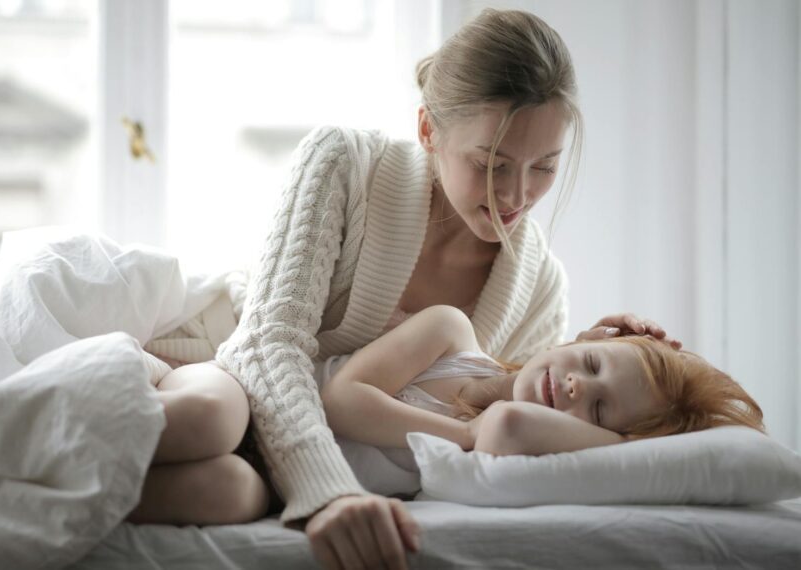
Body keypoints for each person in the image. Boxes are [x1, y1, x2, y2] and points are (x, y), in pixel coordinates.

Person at [133, 8, 685, 570]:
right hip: (225, 372)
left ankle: (42, 507)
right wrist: (330, 492)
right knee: (206, 422)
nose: (515, 197)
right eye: (491, 164)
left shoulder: (541, 284)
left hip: (267, 467)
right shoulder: (346, 165)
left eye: (544, 167)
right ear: (428, 130)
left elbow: (507, 406)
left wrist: (605, 363)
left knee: (221, 492)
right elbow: (266, 344)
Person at [318, 305, 764, 478]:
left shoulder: (513, 444)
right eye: (590, 364)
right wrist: (464, 434)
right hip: (271, 407)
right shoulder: (449, 332)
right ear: (577, 342)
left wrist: (630, 440)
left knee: (241, 492)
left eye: (600, 409)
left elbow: (507, 428)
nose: (576, 386)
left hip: (269, 478)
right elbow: (340, 402)